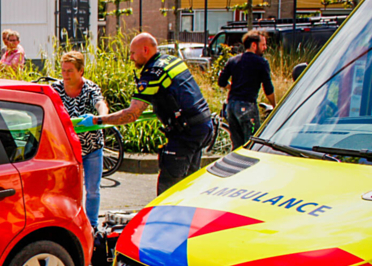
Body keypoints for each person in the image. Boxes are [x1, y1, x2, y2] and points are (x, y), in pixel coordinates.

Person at [87, 32, 213, 196]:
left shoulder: (152, 73)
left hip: (185, 134)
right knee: (188, 185)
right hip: (203, 125)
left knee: (168, 189)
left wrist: (98, 120)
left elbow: (131, 114)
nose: (131, 58)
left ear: (145, 50)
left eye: (133, 53)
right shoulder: (172, 61)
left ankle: (166, 213)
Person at [52, 52, 109, 230]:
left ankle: (92, 226)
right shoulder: (56, 88)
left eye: (70, 71)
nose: (65, 75)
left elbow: (100, 103)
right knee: (67, 191)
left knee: (92, 190)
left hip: (92, 147)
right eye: (63, 70)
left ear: (81, 71)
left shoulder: (90, 88)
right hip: (67, 149)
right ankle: (70, 224)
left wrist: (102, 117)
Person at [217, 29, 277, 149]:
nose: (265, 48)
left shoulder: (233, 60)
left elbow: (221, 81)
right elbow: (268, 88)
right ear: (254, 45)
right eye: (263, 45)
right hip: (247, 107)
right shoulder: (261, 62)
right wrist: (275, 106)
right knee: (252, 144)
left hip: (231, 107)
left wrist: (231, 87)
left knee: (237, 145)